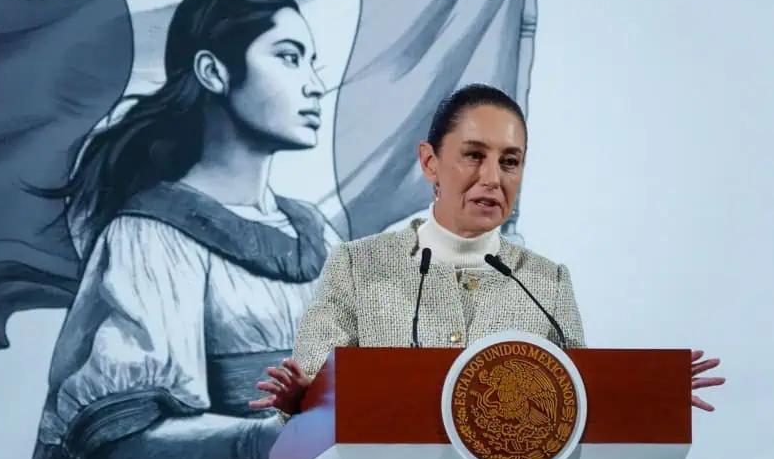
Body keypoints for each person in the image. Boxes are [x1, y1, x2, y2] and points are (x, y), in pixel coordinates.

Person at [249, 83, 726, 418]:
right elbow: (309, 388)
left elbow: (579, 397)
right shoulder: (360, 267)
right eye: (474, 155)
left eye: (510, 161)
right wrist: (297, 400)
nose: (493, 178)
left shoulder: (545, 282)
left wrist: (646, 392)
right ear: (430, 163)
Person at [28, 0, 341, 459]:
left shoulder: (319, 234)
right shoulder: (152, 236)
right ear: (213, 72)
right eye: (288, 56)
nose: (314, 84)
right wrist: (277, 437)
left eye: (310, 61)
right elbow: (121, 437)